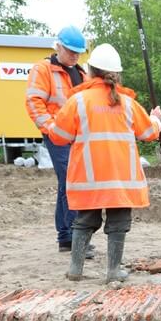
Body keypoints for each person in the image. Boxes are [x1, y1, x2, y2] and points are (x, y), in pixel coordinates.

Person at [47, 43, 161, 283]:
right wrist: (156, 119)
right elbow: (149, 133)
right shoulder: (128, 103)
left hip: (88, 180)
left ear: (89, 71)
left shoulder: (78, 101)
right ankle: (113, 271)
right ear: (117, 74)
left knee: (84, 221)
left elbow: (58, 136)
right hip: (120, 181)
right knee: (118, 222)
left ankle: (76, 269)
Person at [25, 26, 91, 255]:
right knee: (70, 181)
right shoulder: (43, 70)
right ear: (58, 46)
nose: (75, 56)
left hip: (76, 136)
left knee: (68, 182)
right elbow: (34, 102)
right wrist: (52, 129)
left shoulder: (81, 74)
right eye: (71, 51)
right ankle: (74, 237)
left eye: (78, 53)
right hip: (57, 135)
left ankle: (66, 237)